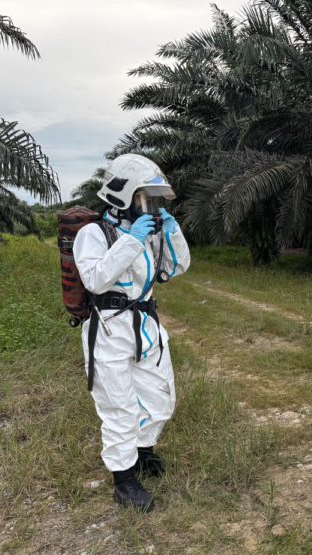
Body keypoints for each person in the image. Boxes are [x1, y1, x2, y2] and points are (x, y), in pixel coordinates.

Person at [73, 154, 191, 511]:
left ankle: (142, 451)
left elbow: (178, 267)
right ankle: (123, 480)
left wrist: (171, 230)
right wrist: (131, 241)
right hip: (110, 328)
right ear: (123, 195)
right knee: (119, 406)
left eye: (155, 200)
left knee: (159, 397)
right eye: (146, 198)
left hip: (146, 325)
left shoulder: (148, 232)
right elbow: (94, 277)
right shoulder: (93, 234)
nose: (151, 207)